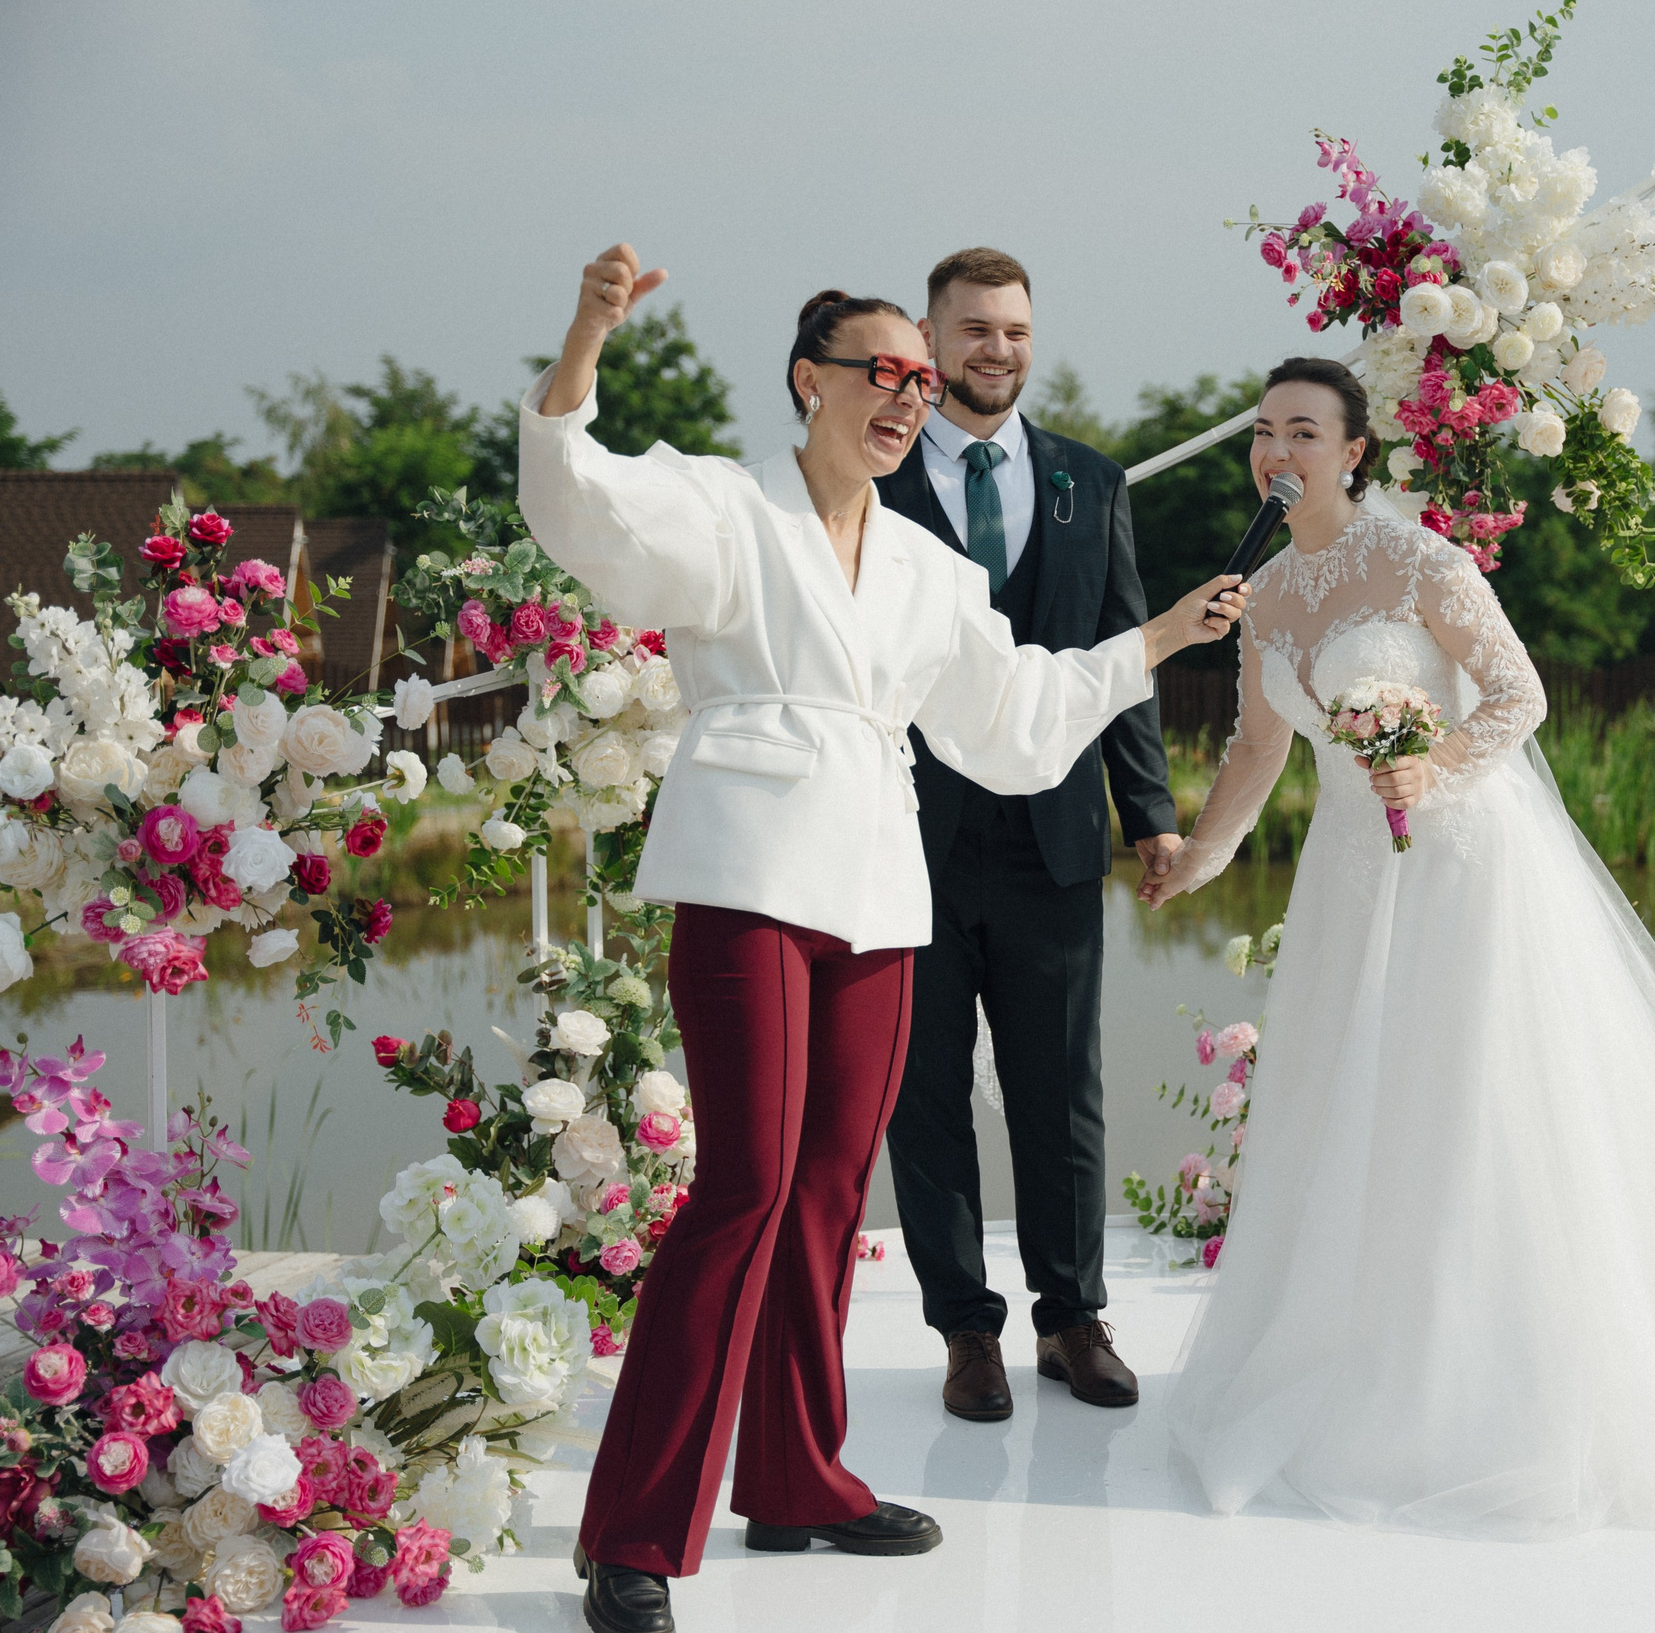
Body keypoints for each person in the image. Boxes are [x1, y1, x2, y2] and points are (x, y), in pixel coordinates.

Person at [521, 244, 1246, 1633]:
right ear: (812, 381)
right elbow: (581, 499)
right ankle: (631, 1532)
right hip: (747, 875)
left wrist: (1156, 636)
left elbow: (1020, 720)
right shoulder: (726, 506)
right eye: (883, 371)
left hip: (876, 888)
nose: (909, 394)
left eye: (922, 375)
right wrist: (585, 335)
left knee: (831, 1191)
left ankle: (797, 1475)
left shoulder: (926, 562)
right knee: (741, 1184)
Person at [1137, 356, 1655, 1540]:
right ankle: (1365, 1354)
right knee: (1357, 1115)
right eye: (1263, 431)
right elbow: (1260, 752)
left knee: (1476, 1112)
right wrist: (1195, 860)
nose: (1276, 450)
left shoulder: (1417, 559)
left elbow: (1518, 699)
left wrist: (1434, 767)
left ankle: (1508, 1385)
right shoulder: (1259, 593)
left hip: (1463, 870)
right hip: (1352, 885)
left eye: (1302, 430)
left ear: (1354, 451)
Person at [876, 247, 1172, 1422]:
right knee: (925, 1094)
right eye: (972, 332)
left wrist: (1146, 813)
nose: (995, 350)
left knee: (1062, 1089)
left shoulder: (1090, 483)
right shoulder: (871, 480)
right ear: (930, 347)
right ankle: (965, 1332)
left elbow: (1125, 659)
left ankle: (1071, 1318)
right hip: (907, 840)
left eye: (1013, 330)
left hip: (1052, 837)